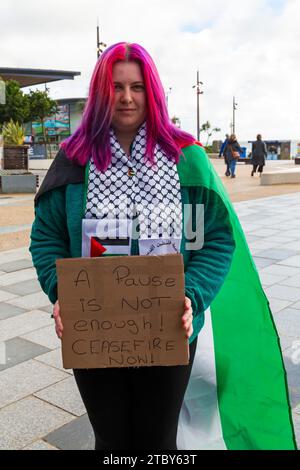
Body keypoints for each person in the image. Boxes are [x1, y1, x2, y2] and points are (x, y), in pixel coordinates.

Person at [30, 42, 296, 451]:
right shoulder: (72, 158)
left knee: (158, 442)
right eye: (115, 87)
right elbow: (46, 237)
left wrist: (192, 294)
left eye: (137, 86)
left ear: (152, 92)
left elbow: (217, 239)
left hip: (169, 331)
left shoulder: (186, 158)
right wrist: (60, 291)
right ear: (100, 93)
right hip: (94, 330)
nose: (126, 97)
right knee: (111, 441)